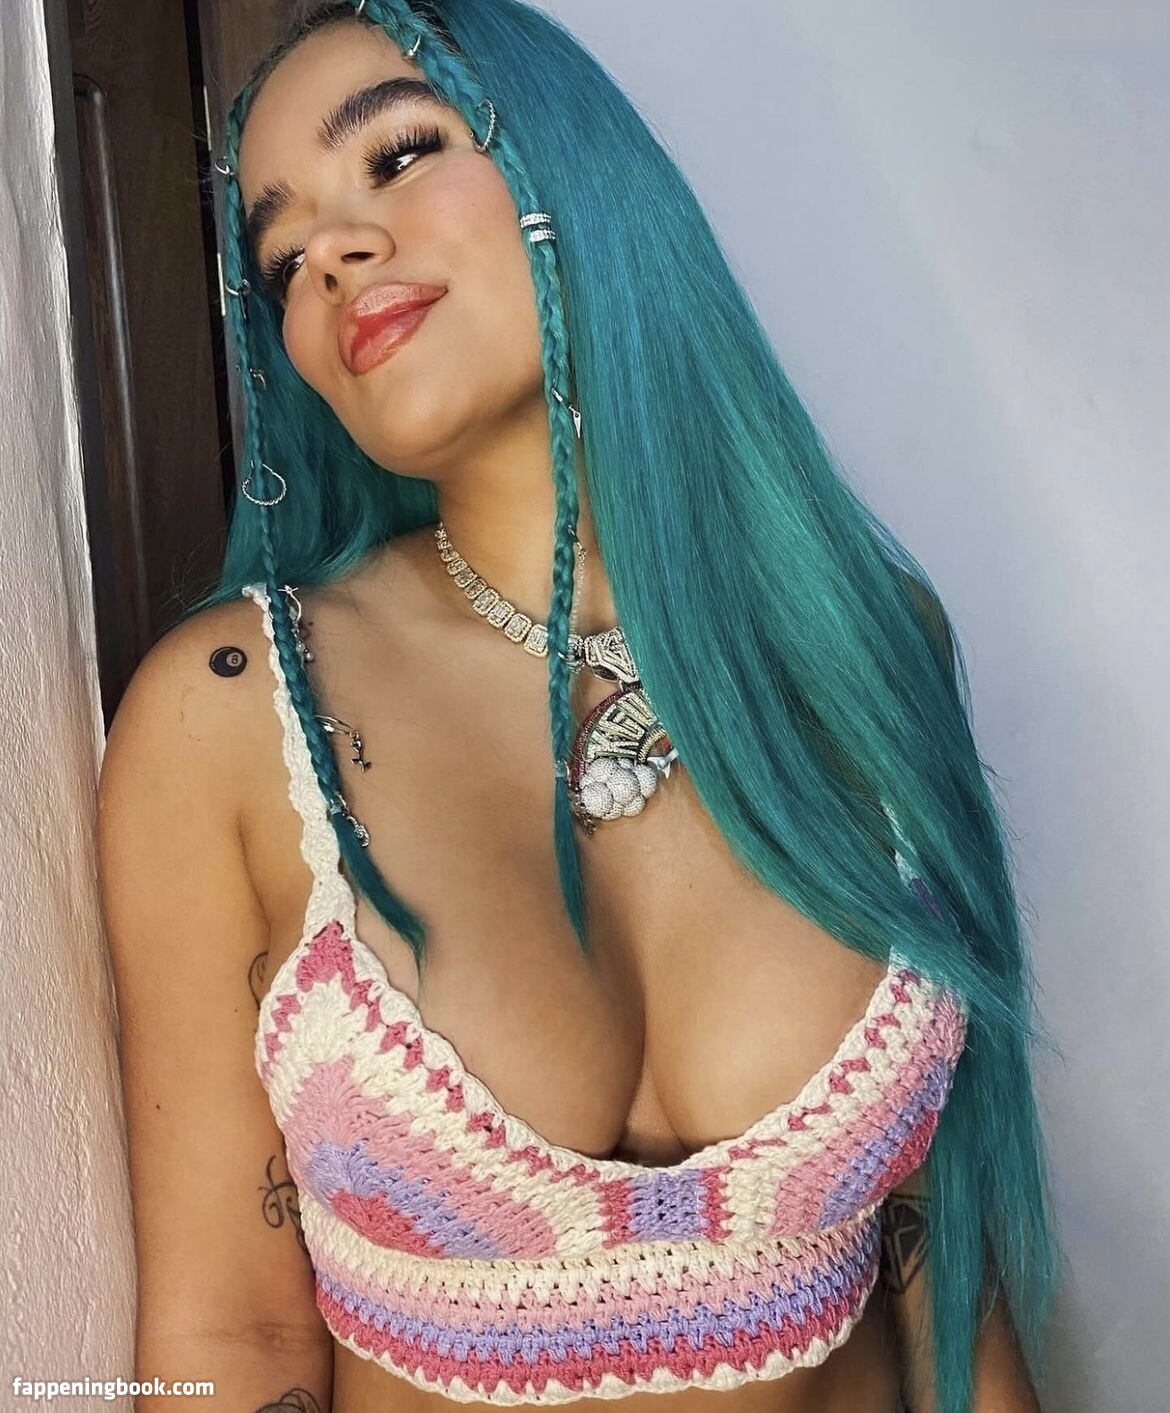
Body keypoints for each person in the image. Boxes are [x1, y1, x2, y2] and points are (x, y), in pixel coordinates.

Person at [97, 2, 1059, 1410]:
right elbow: (226, 1337)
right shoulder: (234, 712)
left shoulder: (863, 645)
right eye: (282, 255)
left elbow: (944, 1265)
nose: (333, 254)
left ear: (575, 168)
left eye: (398, 155)